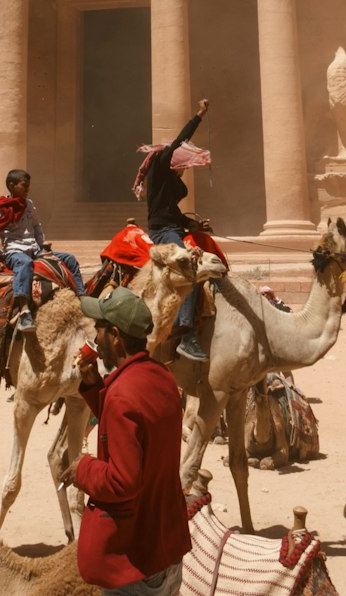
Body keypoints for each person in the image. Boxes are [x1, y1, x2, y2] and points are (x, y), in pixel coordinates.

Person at [70, 287, 191, 596]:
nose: (94, 338)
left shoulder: (123, 395)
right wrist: (95, 387)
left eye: (99, 329)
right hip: (167, 549)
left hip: (136, 564)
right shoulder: (161, 377)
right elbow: (139, 427)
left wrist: (81, 469)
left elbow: (122, 482)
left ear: (114, 335)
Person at [133, 97, 211, 360]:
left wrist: (194, 225)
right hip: (162, 231)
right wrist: (198, 116)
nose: (184, 166)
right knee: (190, 268)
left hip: (171, 226)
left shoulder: (170, 182)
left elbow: (174, 214)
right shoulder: (161, 167)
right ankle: (186, 333)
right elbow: (179, 140)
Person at [0, 168, 85, 333]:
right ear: (12, 186)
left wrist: (43, 248)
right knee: (25, 263)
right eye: (24, 186)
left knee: (69, 259)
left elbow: (37, 227)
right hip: (14, 252)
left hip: (35, 250)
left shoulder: (29, 205)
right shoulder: (0, 208)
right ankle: (24, 311)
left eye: (28, 186)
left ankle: (82, 299)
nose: (28, 189)